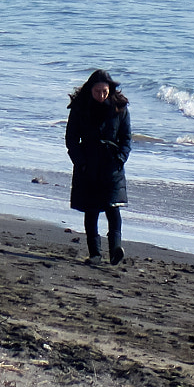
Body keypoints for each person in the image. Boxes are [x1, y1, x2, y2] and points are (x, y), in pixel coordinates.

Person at [65, 69, 132, 265]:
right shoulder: (80, 108)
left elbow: (126, 138)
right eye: (97, 91)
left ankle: (115, 249)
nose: (101, 95)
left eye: (105, 91)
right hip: (88, 164)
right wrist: (81, 162)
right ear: (90, 90)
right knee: (91, 209)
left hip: (112, 165)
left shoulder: (120, 108)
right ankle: (95, 253)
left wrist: (120, 158)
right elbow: (71, 139)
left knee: (113, 208)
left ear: (110, 89)